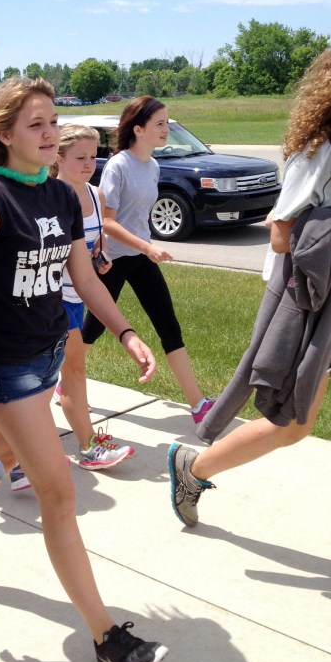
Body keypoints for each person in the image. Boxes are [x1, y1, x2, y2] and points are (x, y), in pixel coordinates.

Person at [0, 76, 168, 662]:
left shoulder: (62, 196)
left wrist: (129, 332)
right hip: (4, 368)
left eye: (53, 121)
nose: (51, 132)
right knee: (59, 492)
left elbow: (82, 277)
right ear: (4, 135)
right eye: (36, 124)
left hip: (48, 351)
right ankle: (107, 637)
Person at [169, 48, 331, 528]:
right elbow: (280, 230)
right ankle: (192, 468)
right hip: (306, 296)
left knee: (294, 423)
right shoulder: (322, 148)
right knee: (292, 421)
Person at [8, 123, 134, 491]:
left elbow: (91, 247)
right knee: (66, 375)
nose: (89, 164)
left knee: (53, 381)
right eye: (80, 157)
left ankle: (23, 456)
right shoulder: (53, 196)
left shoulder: (94, 196)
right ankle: (82, 446)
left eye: (93, 156)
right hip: (51, 299)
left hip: (79, 297)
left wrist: (100, 257)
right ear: (57, 159)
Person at [80, 96, 214, 424]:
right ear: (138, 129)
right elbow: (108, 221)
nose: (167, 129)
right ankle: (65, 384)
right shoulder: (119, 165)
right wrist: (146, 245)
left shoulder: (152, 166)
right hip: (113, 259)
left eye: (167, 123)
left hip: (140, 256)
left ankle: (198, 406)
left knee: (168, 325)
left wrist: (146, 246)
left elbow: (138, 214)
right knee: (92, 330)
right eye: (160, 124)